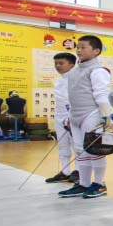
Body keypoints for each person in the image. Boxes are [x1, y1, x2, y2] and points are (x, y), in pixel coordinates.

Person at [57, 35, 113, 199]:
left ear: (96, 51)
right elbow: (72, 95)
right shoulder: (74, 71)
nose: (79, 50)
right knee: (80, 151)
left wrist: (105, 116)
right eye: (78, 47)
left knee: (95, 150)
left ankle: (99, 183)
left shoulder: (98, 71)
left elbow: (102, 95)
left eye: (84, 47)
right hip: (75, 115)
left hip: (92, 114)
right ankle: (83, 183)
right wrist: (69, 115)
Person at [44, 53, 79, 183]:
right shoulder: (59, 81)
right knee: (63, 146)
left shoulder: (76, 79)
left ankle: (78, 171)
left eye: (61, 63)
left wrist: (71, 117)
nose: (57, 66)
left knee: (77, 145)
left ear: (71, 65)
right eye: (56, 63)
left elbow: (76, 100)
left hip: (72, 117)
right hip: (59, 117)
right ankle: (65, 172)